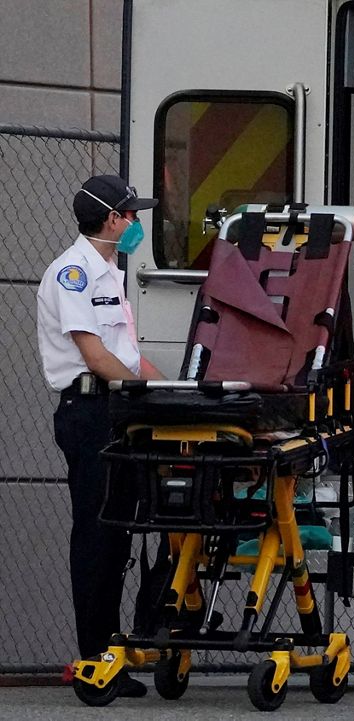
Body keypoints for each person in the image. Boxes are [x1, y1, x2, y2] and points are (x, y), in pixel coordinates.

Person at [37, 175, 165, 694]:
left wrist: (184, 391)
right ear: (112, 218)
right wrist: (144, 390)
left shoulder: (109, 272)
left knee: (118, 535)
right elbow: (96, 357)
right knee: (96, 533)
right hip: (91, 410)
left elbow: (128, 356)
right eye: (131, 215)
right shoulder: (73, 273)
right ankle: (95, 655)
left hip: (118, 407)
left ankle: (115, 654)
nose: (136, 223)